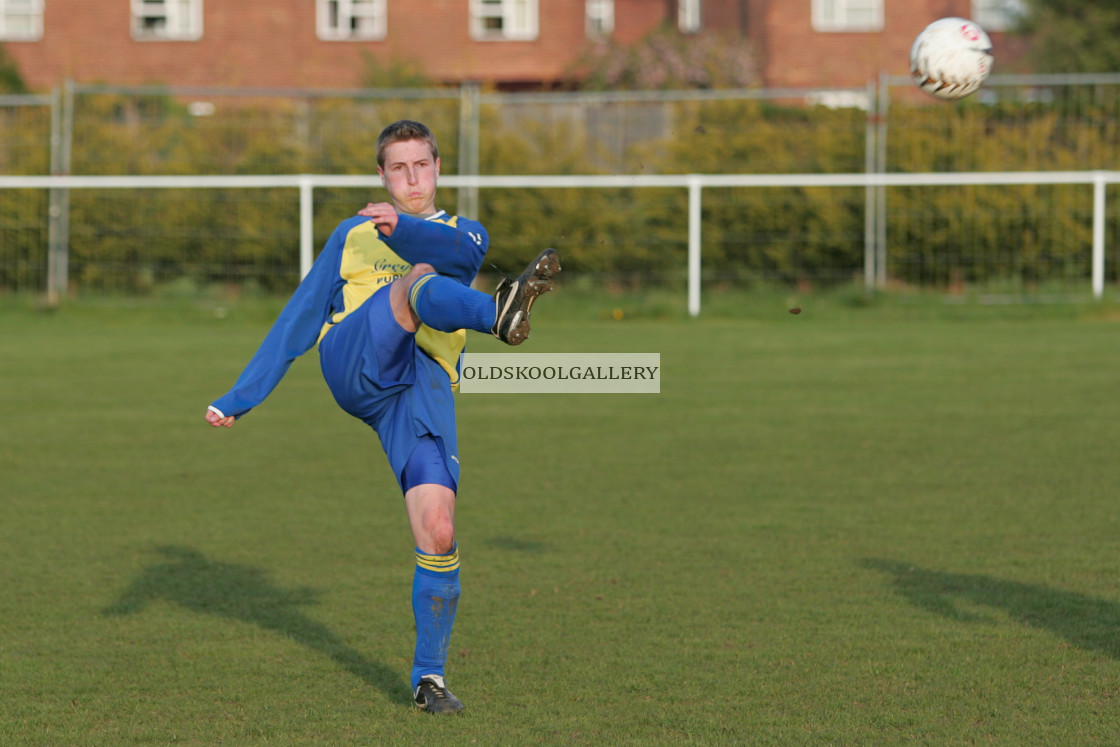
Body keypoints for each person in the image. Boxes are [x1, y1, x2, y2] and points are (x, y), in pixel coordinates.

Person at [204, 119, 560, 714]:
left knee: (438, 527)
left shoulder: (464, 234)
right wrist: (242, 395)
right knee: (417, 281)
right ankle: (497, 316)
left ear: (439, 168)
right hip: (356, 360)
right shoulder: (352, 233)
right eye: (399, 168)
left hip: (421, 388)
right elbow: (298, 317)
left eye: (422, 165)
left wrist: (408, 230)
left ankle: (430, 680)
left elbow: (461, 252)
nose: (412, 178)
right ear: (382, 175)